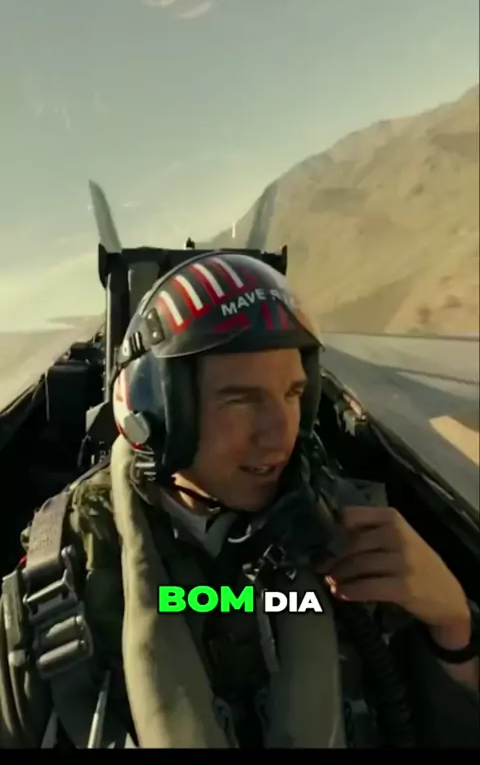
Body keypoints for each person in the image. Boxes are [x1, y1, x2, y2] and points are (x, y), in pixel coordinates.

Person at [0, 251, 478, 749]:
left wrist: (452, 623)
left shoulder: (354, 533)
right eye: (241, 399)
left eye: (292, 394)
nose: (279, 435)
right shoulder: (63, 578)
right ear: (157, 411)